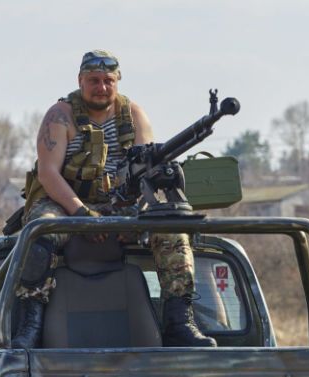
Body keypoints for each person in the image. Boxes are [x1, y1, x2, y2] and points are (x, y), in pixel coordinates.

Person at [12, 50, 216, 349]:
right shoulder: (60, 115)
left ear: (117, 82)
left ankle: (179, 322)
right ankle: (31, 324)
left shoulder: (133, 115)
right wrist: (82, 214)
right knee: (41, 232)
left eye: (108, 80)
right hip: (66, 201)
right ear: (81, 81)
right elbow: (48, 174)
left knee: (172, 231)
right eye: (94, 80)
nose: (102, 87)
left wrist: (131, 216)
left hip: (120, 203)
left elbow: (144, 172)